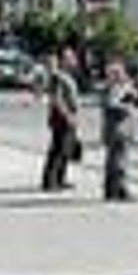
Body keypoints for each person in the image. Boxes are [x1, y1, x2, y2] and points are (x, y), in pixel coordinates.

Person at [40, 49, 81, 192]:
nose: (74, 60)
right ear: (63, 61)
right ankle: (50, 181)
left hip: (68, 116)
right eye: (70, 58)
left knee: (65, 149)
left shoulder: (67, 76)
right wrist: (68, 116)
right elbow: (57, 99)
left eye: (73, 57)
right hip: (61, 118)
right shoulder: (57, 77)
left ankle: (60, 178)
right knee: (58, 150)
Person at [99, 60, 138, 201]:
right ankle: (121, 189)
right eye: (119, 73)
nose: (123, 75)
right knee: (120, 161)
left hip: (118, 129)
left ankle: (111, 190)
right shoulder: (113, 88)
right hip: (118, 129)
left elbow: (135, 96)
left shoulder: (117, 87)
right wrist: (127, 106)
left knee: (113, 161)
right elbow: (111, 104)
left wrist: (131, 92)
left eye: (122, 72)